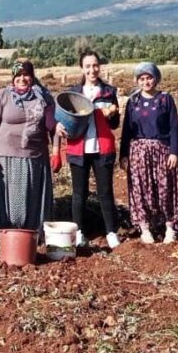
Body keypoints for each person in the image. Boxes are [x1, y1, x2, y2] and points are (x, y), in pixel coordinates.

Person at [55, 51, 122, 249]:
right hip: (78, 149)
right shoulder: (73, 93)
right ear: (82, 69)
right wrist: (58, 128)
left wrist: (112, 114)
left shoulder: (109, 92)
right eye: (88, 66)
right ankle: (80, 233)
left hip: (102, 147)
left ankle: (111, 232)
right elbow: (61, 118)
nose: (92, 70)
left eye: (95, 65)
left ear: (99, 67)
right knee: (79, 194)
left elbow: (115, 124)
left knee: (105, 193)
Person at [0, 59, 58, 235]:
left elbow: (54, 127)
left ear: (32, 76)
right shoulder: (3, 95)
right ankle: (10, 235)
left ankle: (33, 235)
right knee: (11, 200)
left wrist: (56, 152)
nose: (22, 78)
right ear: (12, 77)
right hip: (7, 158)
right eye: (18, 75)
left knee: (34, 197)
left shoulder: (44, 97)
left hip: (36, 156)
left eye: (26, 74)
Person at [119, 62, 178, 244]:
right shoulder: (133, 101)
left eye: (149, 77)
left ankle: (170, 226)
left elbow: (174, 127)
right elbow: (126, 131)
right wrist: (124, 155)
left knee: (165, 188)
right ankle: (144, 228)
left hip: (162, 151)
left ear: (156, 78)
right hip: (138, 153)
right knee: (141, 190)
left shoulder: (165, 99)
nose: (146, 82)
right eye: (142, 78)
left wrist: (174, 152)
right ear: (137, 81)